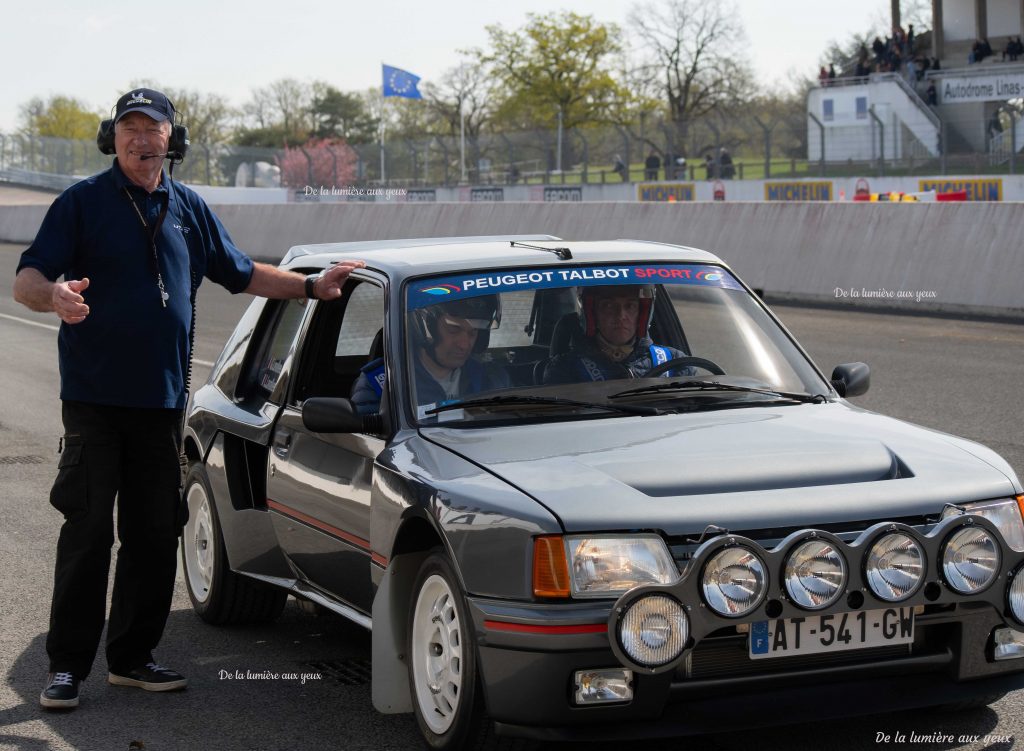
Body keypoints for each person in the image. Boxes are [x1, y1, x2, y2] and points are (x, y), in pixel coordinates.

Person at [13, 88, 364, 711]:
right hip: (95, 405)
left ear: (173, 140)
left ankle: (132, 659)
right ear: (111, 137)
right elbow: (27, 279)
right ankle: (67, 667)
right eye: (129, 128)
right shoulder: (81, 204)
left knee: (153, 534)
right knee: (89, 534)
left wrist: (312, 285)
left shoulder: (188, 208)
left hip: (161, 405)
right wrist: (56, 296)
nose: (140, 139)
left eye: (152, 129)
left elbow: (243, 273)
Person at [351, 294, 509, 414]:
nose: (464, 344)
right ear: (424, 328)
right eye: (454, 329)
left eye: (473, 332)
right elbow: (367, 444)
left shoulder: (491, 378)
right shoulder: (383, 383)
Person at [543, 284, 693, 385]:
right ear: (592, 314)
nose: (621, 315)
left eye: (630, 306)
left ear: (642, 314)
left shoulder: (676, 362)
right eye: (609, 305)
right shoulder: (565, 369)